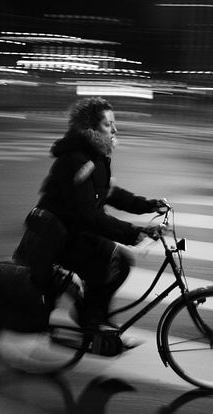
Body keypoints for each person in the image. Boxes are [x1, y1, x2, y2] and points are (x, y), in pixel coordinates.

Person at [14, 96, 168, 330]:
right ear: (90, 129)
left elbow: (111, 193)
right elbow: (88, 215)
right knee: (118, 264)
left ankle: (94, 314)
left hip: (74, 231)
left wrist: (149, 205)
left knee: (119, 263)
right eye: (108, 124)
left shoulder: (95, 156)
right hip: (58, 238)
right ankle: (88, 317)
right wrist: (133, 232)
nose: (115, 129)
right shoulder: (77, 161)